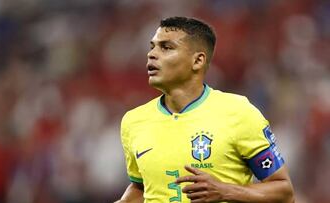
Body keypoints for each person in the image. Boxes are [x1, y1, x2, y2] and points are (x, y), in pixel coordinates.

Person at [115, 16, 294, 203]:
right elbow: (141, 187)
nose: (152, 54)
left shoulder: (238, 112)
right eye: (152, 47)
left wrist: (226, 191)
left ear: (198, 61)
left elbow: (284, 192)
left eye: (166, 47)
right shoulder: (134, 121)